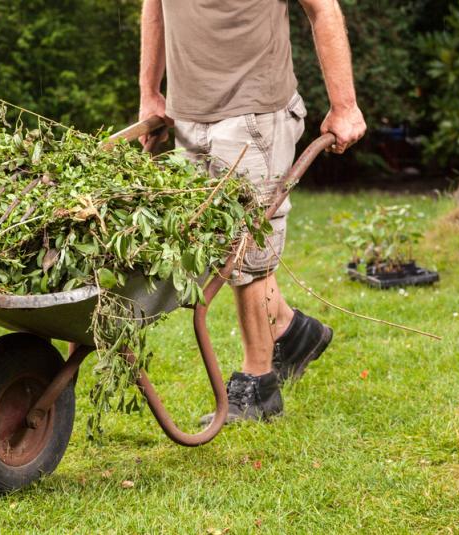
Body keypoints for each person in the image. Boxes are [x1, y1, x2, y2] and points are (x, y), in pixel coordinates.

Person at [138, 0, 367, 424]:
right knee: (217, 247)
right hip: (189, 117)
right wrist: (150, 93)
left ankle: (258, 386)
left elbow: (324, 9)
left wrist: (344, 104)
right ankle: (292, 330)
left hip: (255, 115)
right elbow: (154, 8)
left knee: (247, 253)